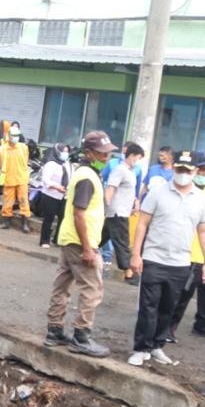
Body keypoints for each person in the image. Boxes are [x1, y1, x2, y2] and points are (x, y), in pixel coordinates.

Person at [128, 152, 205, 366]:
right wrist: (136, 254)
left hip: (181, 262)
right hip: (154, 258)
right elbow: (142, 223)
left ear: (195, 172)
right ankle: (141, 348)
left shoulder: (201, 199)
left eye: (188, 171)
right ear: (174, 169)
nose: (183, 174)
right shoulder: (157, 192)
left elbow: (203, 230)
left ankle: (157, 345)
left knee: (168, 307)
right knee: (148, 306)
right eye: (180, 170)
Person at [44, 130, 118, 357]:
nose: (106, 158)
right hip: (79, 241)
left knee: (63, 285)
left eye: (108, 154)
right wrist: (88, 248)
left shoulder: (85, 173)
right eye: (102, 154)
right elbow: (79, 213)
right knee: (92, 288)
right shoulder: (87, 177)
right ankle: (81, 336)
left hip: (70, 239)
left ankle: (54, 330)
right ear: (89, 153)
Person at [168, 152, 205, 342]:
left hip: (198, 254)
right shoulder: (177, 189)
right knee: (170, 292)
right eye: (203, 170)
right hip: (176, 250)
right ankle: (161, 324)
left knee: (185, 294)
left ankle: (171, 328)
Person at [101, 142, 144, 284]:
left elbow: (129, 193)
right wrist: (106, 207)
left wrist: (133, 204)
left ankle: (82, 252)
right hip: (117, 212)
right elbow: (110, 188)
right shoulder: (119, 170)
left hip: (122, 211)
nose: (138, 161)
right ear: (131, 155)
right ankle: (129, 273)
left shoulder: (130, 172)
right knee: (122, 242)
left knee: (100, 238)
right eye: (137, 158)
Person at [0, 121, 31, 231]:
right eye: (14, 136)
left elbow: (25, 161)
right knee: (7, 202)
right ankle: (6, 222)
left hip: (21, 179)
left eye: (17, 136)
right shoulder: (2, 149)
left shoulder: (23, 147)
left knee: (23, 201)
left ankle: (24, 224)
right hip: (9, 179)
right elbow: (1, 164)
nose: (16, 138)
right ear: (9, 136)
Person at [38, 143, 70, 247]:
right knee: (49, 218)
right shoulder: (51, 164)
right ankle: (44, 240)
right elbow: (46, 179)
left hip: (63, 196)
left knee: (63, 217)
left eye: (67, 151)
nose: (66, 153)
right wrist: (57, 187)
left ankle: (57, 239)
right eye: (63, 151)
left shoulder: (66, 164)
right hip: (50, 195)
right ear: (57, 152)